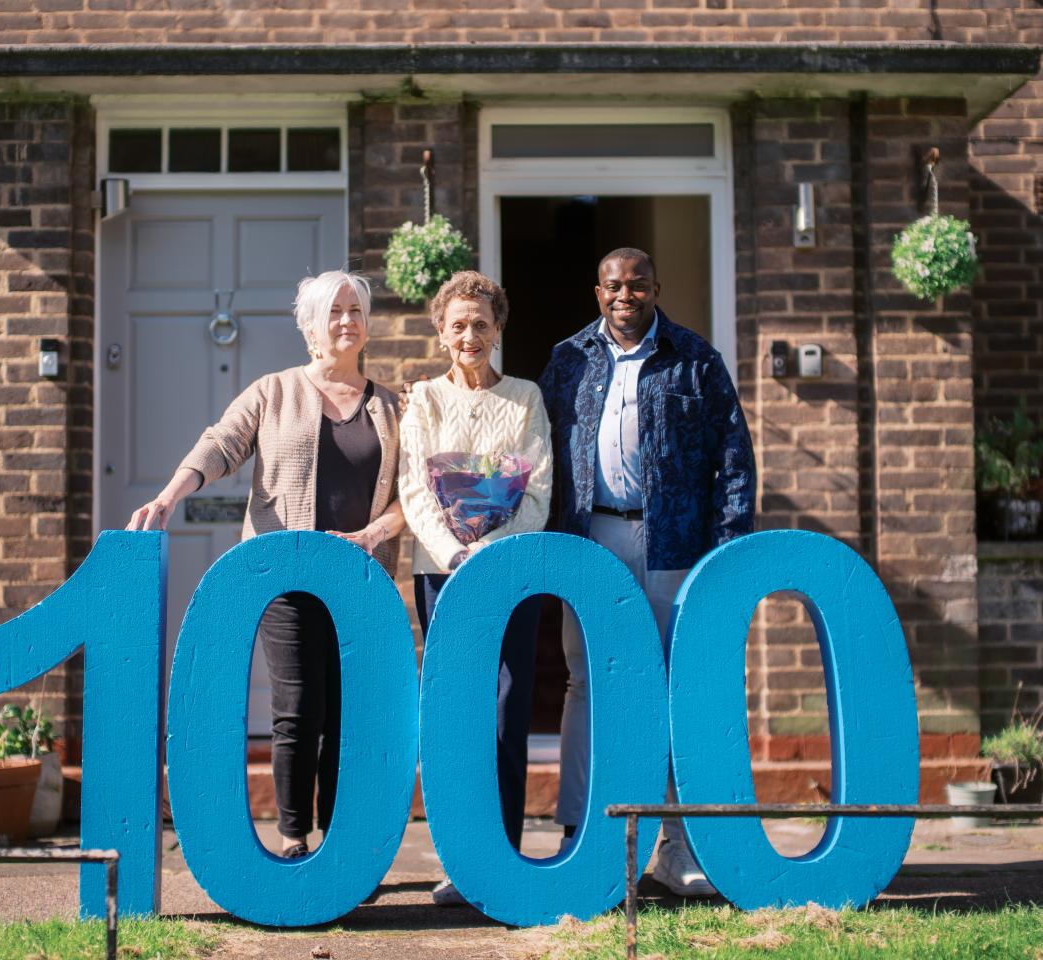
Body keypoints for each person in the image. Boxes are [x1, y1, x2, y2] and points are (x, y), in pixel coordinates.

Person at [128, 270, 405, 859]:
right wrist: (171, 495)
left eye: (355, 310)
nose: (347, 321)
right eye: (333, 312)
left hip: (362, 581)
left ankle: (343, 844)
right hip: (286, 577)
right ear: (309, 327)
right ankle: (294, 837)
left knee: (352, 716)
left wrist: (375, 533)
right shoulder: (273, 392)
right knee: (297, 711)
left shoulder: (390, 407)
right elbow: (221, 443)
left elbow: (417, 492)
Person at [538, 247, 756, 897]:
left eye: (637, 284)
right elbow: (537, 447)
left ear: (656, 288)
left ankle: (679, 845)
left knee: (672, 687)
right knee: (587, 683)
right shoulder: (566, 359)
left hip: (673, 543)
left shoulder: (695, 359)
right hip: (591, 536)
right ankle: (580, 834)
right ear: (596, 291)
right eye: (614, 285)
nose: (625, 294)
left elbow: (734, 458)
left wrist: (727, 546)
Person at [399, 271, 552, 905]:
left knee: (506, 711)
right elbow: (413, 486)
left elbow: (537, 490)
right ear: (440, 331)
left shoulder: (525, 399)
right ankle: (460, 859)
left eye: (481, 324)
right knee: (457, 715)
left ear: (499, 330)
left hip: (507, 574)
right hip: (441, 573)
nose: (469, 335)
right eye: (457, 324)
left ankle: (505, 852)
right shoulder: (425, 401)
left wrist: (486, 554)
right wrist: (453, 551)